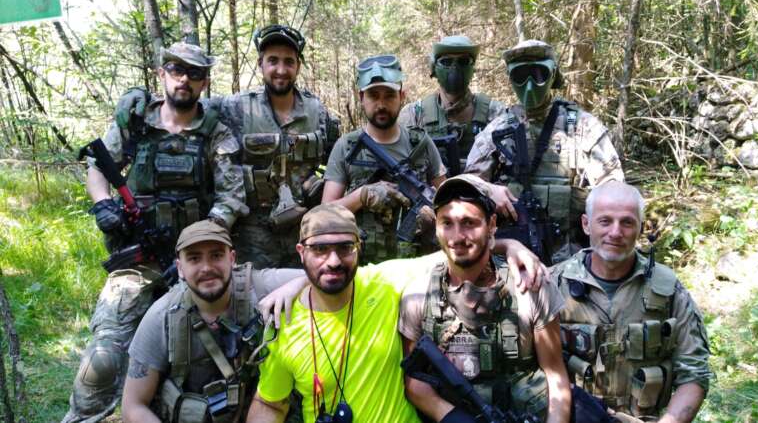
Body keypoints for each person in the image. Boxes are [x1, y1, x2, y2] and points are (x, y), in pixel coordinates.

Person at [63, 42, 247, 423]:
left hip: (196, 264)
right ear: (161, 74)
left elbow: (230, 198)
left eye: (194, 74)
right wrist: (102, 204)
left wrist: (198, 246)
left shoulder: (217, 134)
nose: (184, 80)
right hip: (139, 261)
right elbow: (99, 165)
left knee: (211, 356)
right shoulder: (134, 123)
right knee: (103, 358)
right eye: (176, 70)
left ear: (204, 82)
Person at [247, 204, 548, 423]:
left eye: (345, 248)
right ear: (301, 252)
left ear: (359, 248)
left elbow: (459, 250)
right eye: (320, 250)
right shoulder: (284, 322)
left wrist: (510, 244)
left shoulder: (383, 282)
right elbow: (270, 403)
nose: (334, 260)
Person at [116, 25, 339, 269]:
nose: (281, 70)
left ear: (298, 66)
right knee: (250, 298)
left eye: (289, 62)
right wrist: (140, 96)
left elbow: (339, 162)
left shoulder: (317, 112)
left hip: (304, 226)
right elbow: (184, 103)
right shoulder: (235, 107)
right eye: (273, 60)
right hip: (253, 233)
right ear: (260, 64)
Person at [399, 174, 571, 422]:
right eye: (447, 223)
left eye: (469, 223)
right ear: (436, 227)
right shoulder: (418, 294)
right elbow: (415, 382)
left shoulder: (530, 287)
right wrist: (452, 418)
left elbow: (556, 377)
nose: (457, 237)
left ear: (491, 225)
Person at [552, 182, 711, 422]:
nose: (616, 232)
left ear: (641, 228)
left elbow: (694, 373)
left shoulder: (667, 289)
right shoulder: (552, 284)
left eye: (627, 222)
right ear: (586, 224)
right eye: (605, 221)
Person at [121, 220, 306, 423]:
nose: (207, 268)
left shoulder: (261, 287)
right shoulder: (162, 317)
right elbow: (133, 406)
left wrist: (294, 287)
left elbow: (326, 275)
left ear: (232, 259)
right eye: (194, 259)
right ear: (180, 268)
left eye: (216, 255)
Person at [466, 40, 624, 264]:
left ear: (553, 76)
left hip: (574, 260)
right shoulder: (497, 129)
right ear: (511, 79)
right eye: (521, 75)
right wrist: (490, 189)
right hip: (509, 258)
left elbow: (614, 193)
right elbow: (465, 187)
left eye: (538, 74)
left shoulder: (582, 127)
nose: (530, 85)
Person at [322, 54, 446, 263]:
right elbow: (324, 215)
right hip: (364, 269)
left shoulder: (421, 144)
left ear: (402, 96)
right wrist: (361, 196)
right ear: (361, 98)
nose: (381, 104)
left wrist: (435, 214)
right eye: (373, 96)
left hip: (419, 267)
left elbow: (447, 199)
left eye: (389, 95)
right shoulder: (346, 146)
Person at [399, 35, 507, 175]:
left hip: (481, 193)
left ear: (472, 68)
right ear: (434, 69)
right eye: (446, 61)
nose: (454, 68)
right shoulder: (414, 114)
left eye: (463, 61)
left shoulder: (495, 112)